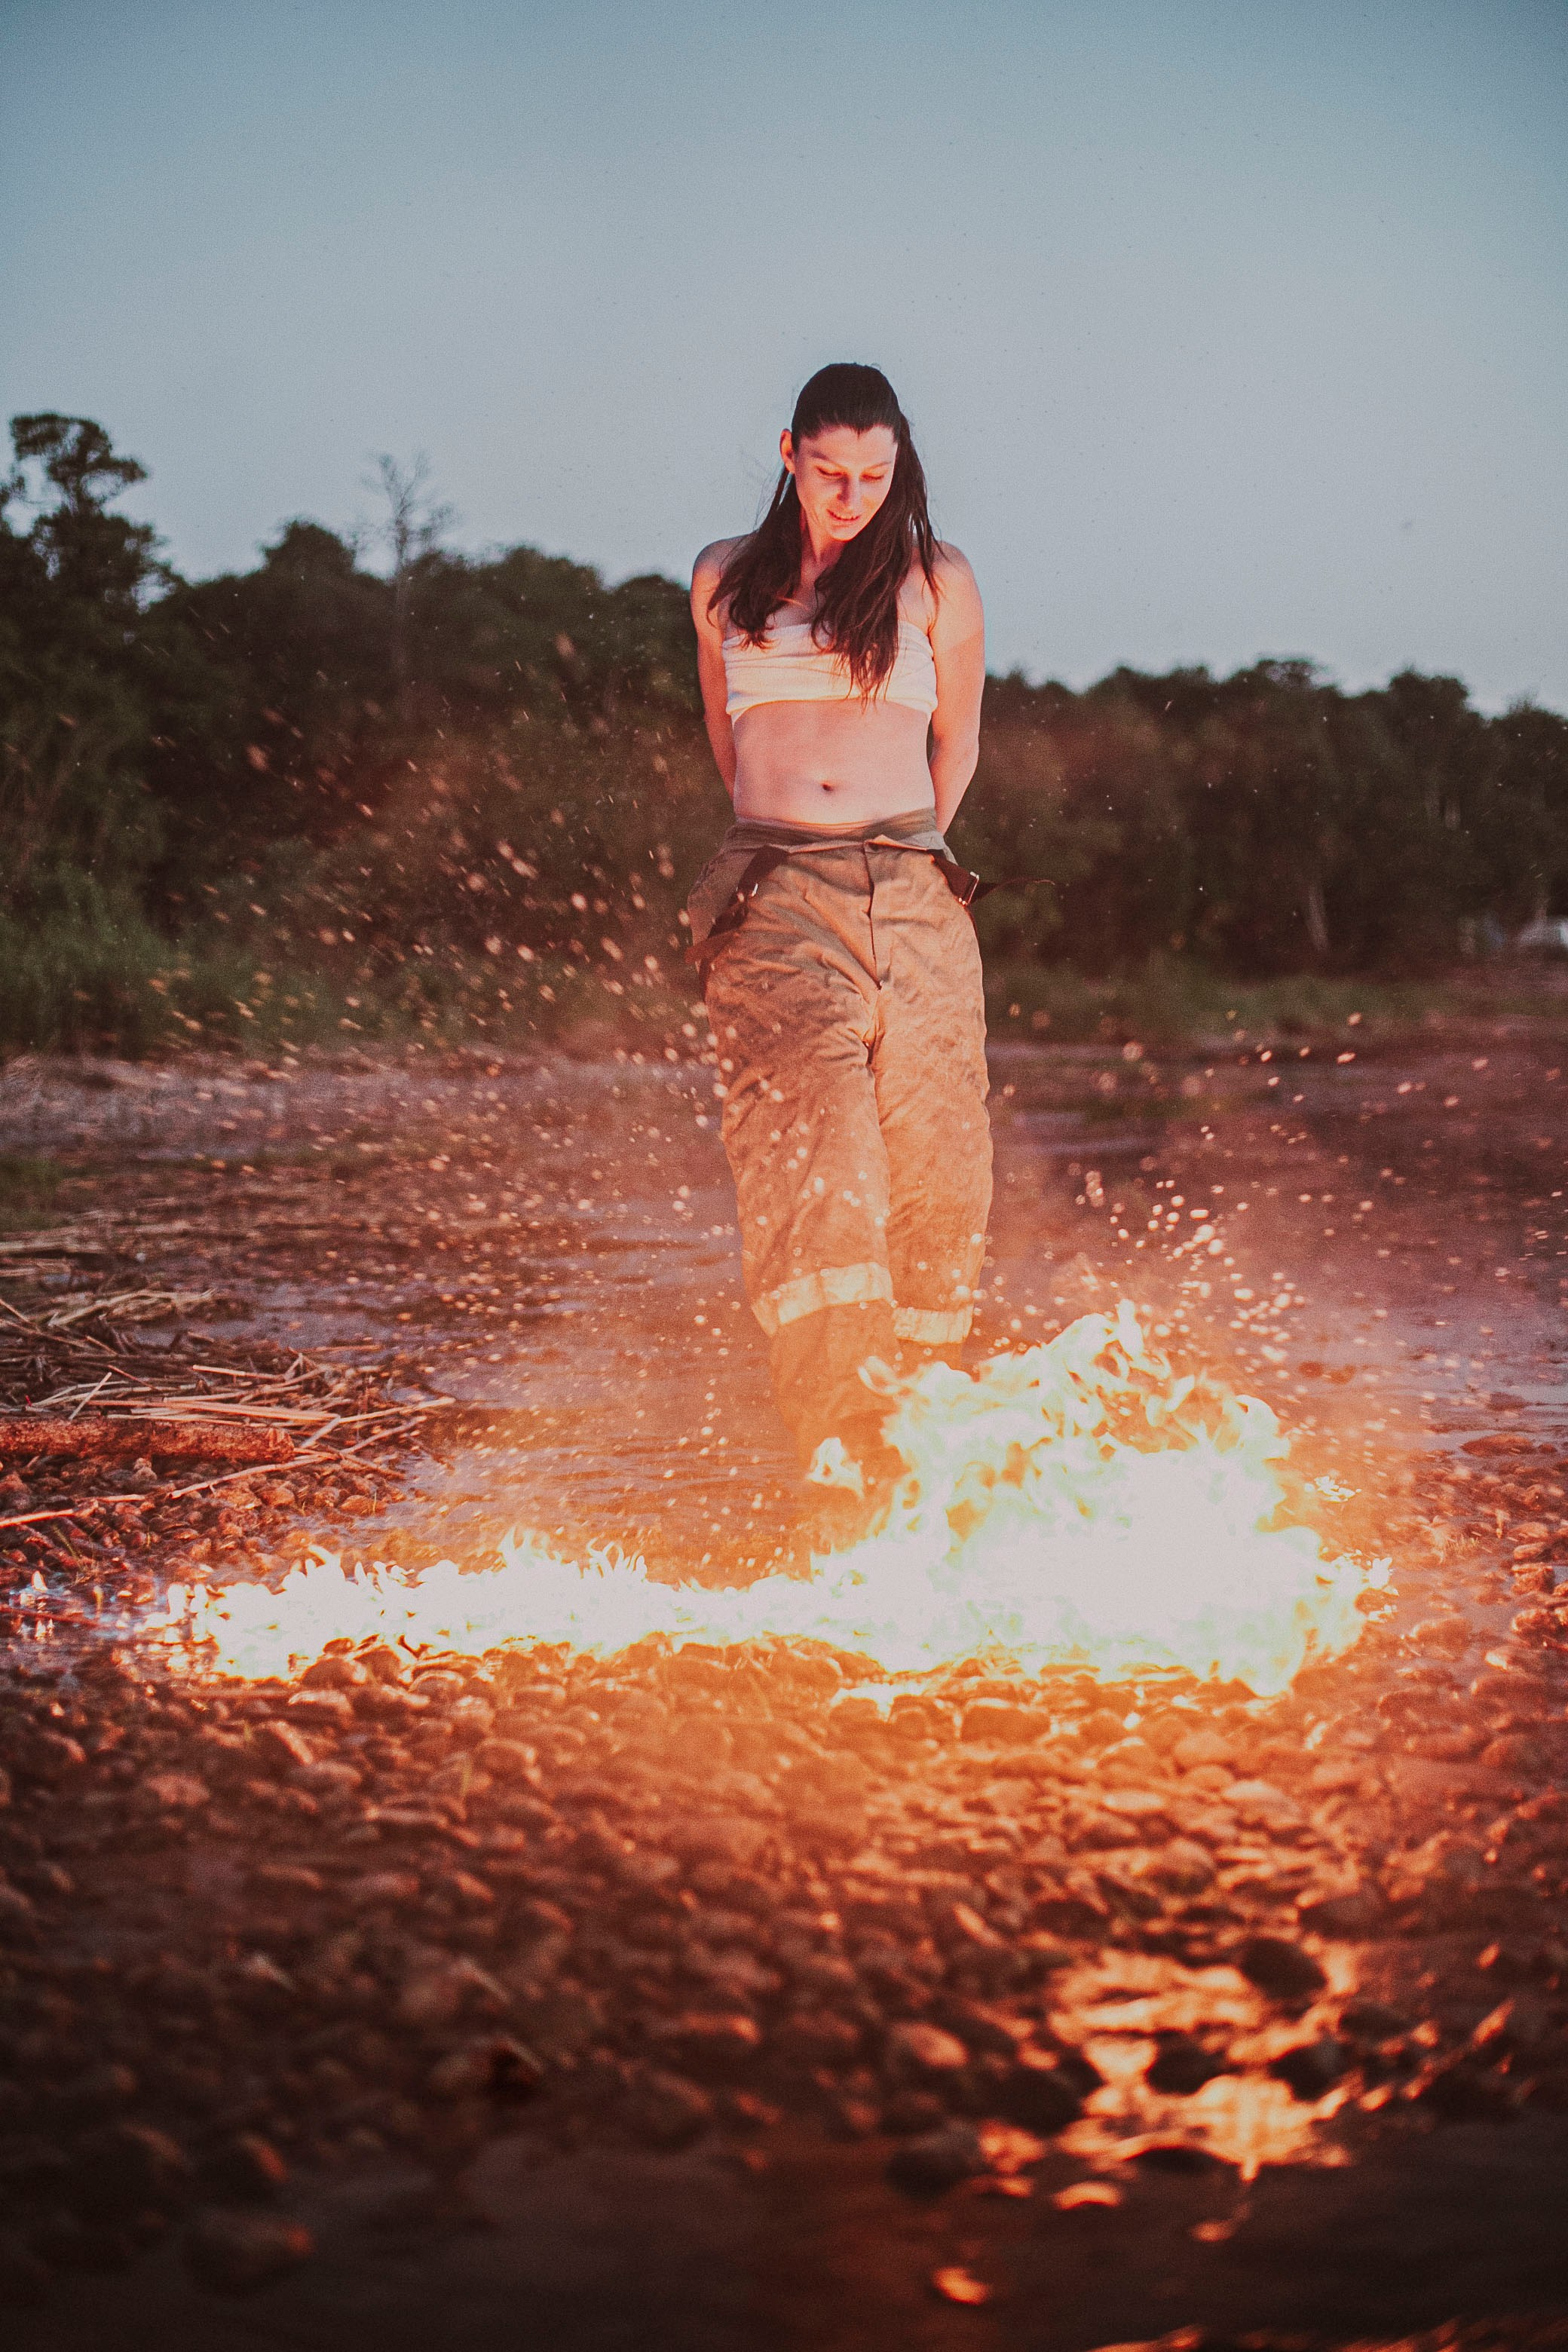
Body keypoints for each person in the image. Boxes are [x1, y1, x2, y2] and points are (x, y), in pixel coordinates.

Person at [687, 363, 991, 1515]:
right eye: (831, 472)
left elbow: (956, 744)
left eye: (876, 473)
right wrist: (796, 843)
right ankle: (838, 1448)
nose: (854, 494)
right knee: (818, 1159)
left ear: (898, 463)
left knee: (936, 1164)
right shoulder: (723, 577)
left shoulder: (935, 580)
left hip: (913, 885)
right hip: (776, 891)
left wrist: (901, 856)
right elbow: (725, 733)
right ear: (787, 454)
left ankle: (923, 1438)